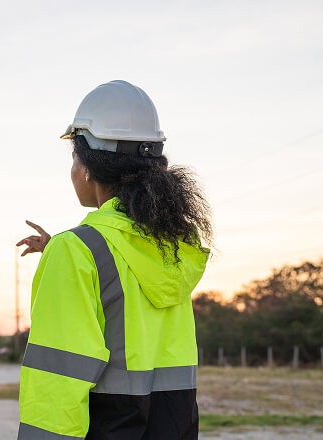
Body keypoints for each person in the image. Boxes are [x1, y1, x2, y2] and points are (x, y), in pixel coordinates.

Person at [16, 80, 212, 439]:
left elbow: (57, 385)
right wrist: (61, 246)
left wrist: (64, 250)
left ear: (88, 167)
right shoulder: (173, 247)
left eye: (74, 157)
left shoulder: (78, 252)